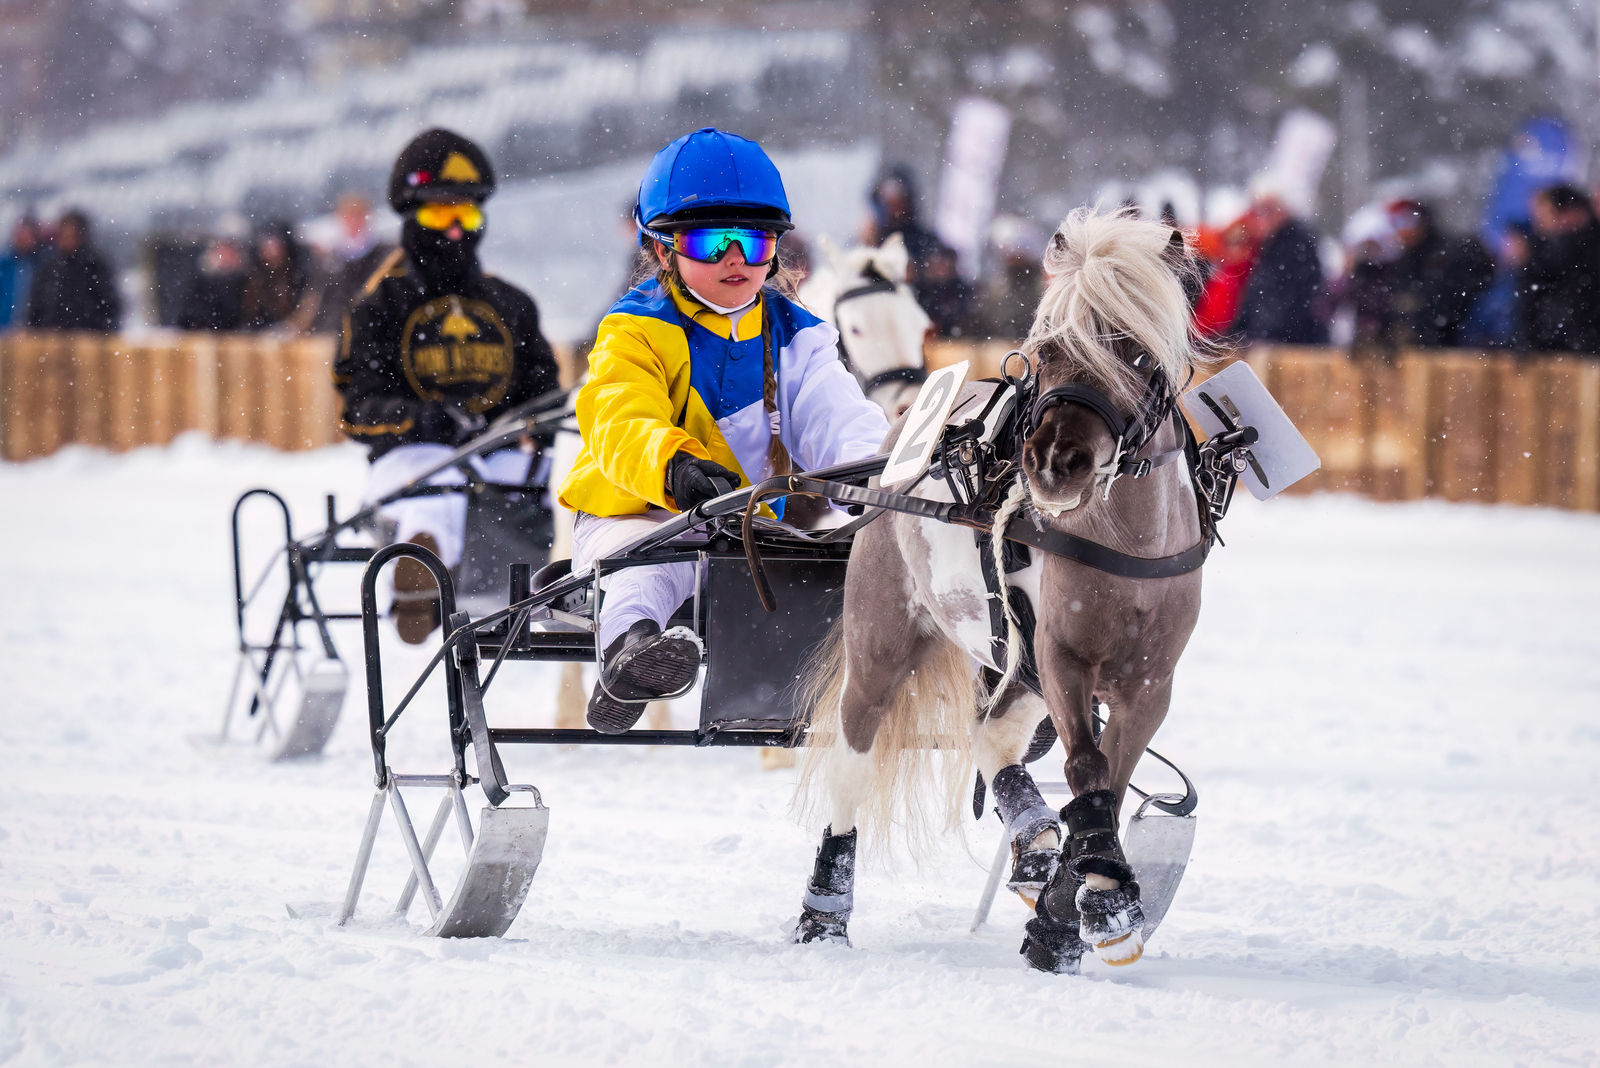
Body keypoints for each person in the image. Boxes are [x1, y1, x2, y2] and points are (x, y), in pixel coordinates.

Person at [558, 127, 889, 734]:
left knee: (860, 557)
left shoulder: (798, 333)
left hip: (748, 529)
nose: (735, 260)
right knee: (651, 566)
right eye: (711, 242)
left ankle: (975, 676)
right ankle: (630, 656)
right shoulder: (633, 331)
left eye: (756, 241)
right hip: (641, 511)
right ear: (662, 251)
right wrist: (674, 467)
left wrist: (874, 468)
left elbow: (834, 413)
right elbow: (619, 419)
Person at [336, 128, 561, 643]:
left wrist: (534, 428)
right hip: (411, 461)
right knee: (440, 489)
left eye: (468, 214)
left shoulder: (512, 304)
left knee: (565, 485)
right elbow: (356, 411)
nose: (457, 229)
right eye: (441, 214)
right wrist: (424, 420)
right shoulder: (379, 308)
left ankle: (576, 586)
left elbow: (544, 388)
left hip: (495, 452)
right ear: (412, 216)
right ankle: (419, 579)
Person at [1383, 200, 1494, 349]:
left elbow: (1451, 302)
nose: (1403, 230)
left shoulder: (1450, 253)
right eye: (1396, 223)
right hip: (1424, 348)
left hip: (1459, 342)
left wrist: (1422, 325)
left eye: (1408, 221)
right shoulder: (1404, 262)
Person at [1228, 189, 1327, 345]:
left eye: (1269, 209)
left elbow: (1299, 294)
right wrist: (1239, 331)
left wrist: (1267, 330)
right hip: (1268, 337)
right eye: (1260, 210)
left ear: (1284, 209)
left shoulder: (1297, 242)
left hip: (1293, 342)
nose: (1263, 217)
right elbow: (1257, 291)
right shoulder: (1267, 241)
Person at [1517, 184, 1600, 354]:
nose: (1538, 220)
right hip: (1563, 345)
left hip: (1577, 345)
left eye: (1543, 213)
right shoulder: (1544, 249)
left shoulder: (1582, 247)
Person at [300, 192, 398, 335]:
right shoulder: (329, 259)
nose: (353, 222)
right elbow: (314, 300)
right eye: (348, 216)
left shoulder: (387, 256)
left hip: (375, 332)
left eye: (358, 216)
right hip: (332, 332)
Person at [25, 210, 121, 332]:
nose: (67, 240)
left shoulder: (95, 268)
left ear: (82, 236)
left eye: (72, 235)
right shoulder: (50, 268)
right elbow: (36, 308)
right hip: (52, 342)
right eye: (64, 235)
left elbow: (110, 308)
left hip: (88, 341)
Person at [1192, 213, 1257, 340]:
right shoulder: (1219, 279)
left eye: (1239, 243)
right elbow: (1203, 323)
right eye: (1229, 243)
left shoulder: (1250, 279)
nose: (1233, 250)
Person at [177, 219, 249, 331]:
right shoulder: (202, 281)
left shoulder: (249, 281)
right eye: (224, 247)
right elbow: (187, 318)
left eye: (233, 248)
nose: (228, 254)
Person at [240, 221, 308, 330]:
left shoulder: (297, 276)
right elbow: (249, 311)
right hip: (258, 334)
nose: (270, 251)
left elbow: (302, 310)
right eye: (266, 245)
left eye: (275, 245)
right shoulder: (252, 275)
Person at [0, 213, 44, 330]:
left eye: (28, 234)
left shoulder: (41, 266)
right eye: (21, 233)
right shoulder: (4, 265)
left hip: (30, 334)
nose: (24, 238)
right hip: (4, 328)